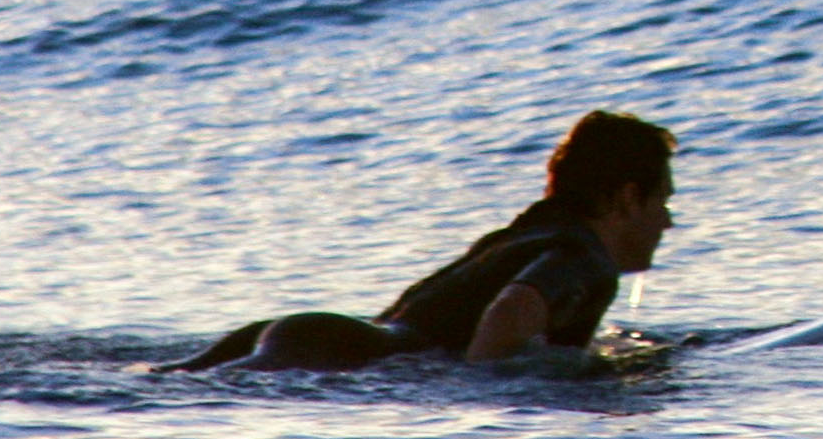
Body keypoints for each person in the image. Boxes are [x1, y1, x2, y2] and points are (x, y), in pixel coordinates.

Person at [165, 110, 677, 373]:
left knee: (161, 384)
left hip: (324, 337)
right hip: (338, 354)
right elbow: (509, 312)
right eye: (663, 201)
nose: (668, 222)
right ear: (628, 197)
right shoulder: (585, 257)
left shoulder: (523, 233)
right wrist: (487, 385)